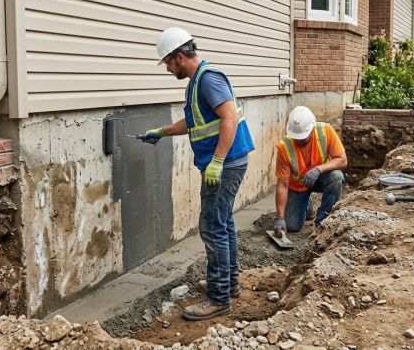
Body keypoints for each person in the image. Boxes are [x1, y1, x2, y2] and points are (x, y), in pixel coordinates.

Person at [141, 27, 255, 321]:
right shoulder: (197, 81)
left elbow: (229, 117)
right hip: (227, 161)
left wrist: (217, 161)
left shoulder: (208, 79)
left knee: (211, 226)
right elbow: (196, 121)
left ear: (180, 57)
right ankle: (228, 285)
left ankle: (218, 299)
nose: (167, 68)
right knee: (223, 222)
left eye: (167, 62)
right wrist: (162, 131)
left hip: (225, 163)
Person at [273, 106, 347, 237]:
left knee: (336, 177)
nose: (299, 140)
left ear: (312, 129)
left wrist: (319, 169)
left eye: (303, 138)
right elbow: (282, 184)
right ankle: (307, 207)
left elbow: (342, 160)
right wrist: (280, 218)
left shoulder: (325, 131)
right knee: (291, 226)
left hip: (322, 178)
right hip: (298, 186)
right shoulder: (284, 147)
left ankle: (323, 220)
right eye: (297, 138)